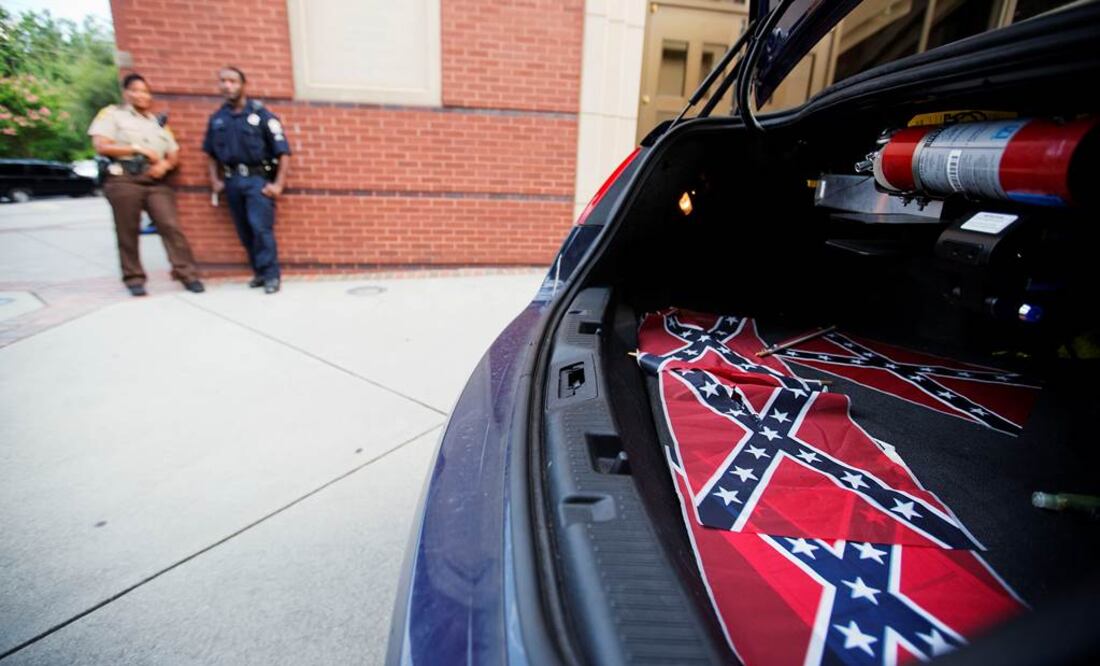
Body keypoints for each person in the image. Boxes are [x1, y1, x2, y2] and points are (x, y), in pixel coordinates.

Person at [89, 73, 204, 296]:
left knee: (170, 226)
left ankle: (187, 274)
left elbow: (174, 153)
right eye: (136, 90)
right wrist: (137, 149)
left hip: (155, 179)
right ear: (126, 92)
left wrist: (165, 165)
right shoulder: (112, 115)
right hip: (123, 178)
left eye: (145, 91)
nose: (141, 95)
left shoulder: (157, 123)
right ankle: (134, 278)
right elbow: (101, 145)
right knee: (127, 230)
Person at [202, 66, 291, 294]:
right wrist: (215, 180)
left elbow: (283, 152)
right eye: (223, 81)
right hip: (232, 181)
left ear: (243, 85)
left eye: (232, 81)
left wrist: (278, 184)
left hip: (257, 180)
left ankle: (271, 275)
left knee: (261, 229)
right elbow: (210, 154)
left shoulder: (262, 115)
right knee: (244, 231)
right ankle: (259, 273)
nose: (227, 86)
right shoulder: (218, 119)